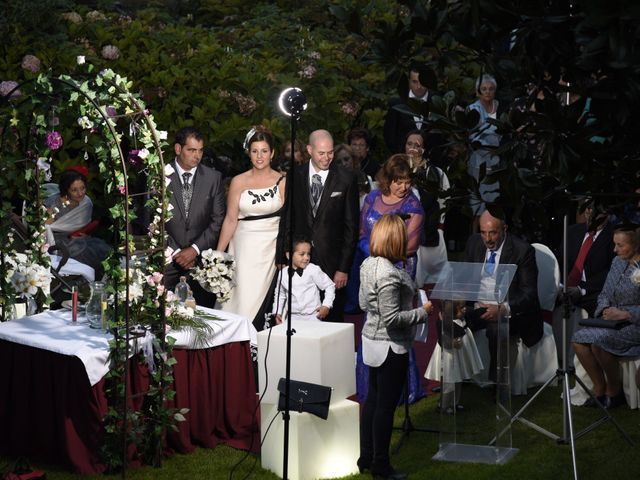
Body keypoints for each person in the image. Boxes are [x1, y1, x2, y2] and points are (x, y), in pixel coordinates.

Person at [358, 214, 432, 480]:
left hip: (370, 341)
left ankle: (365, 456)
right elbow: (392, 319)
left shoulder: (368, 264)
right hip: (390, 346)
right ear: (396, 239)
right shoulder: (389, 273)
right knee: (384, 407)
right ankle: (380, 464)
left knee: (373, 402)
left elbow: (364, 305)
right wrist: (422, 312)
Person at [217, 126, 286, 329]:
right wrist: (218, 255)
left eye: (264, 151)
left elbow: (289, 220)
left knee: (263, 302)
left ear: (272, 153)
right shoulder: (238, 181)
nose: (259, 156)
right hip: (242, 248)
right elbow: (230, 219)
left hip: (270, 249)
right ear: (249, 153)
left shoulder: (283, 181)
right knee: (240, 298)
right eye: (255, 151)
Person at [289, 129, 359, 323]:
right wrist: (284, 254)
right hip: (299, 259)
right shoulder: (295, 175)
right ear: (310, 150)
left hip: (333, 262)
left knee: (332, 318)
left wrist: (343, 268)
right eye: (321, 153)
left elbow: (351, 227)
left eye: (330, 152)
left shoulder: (346, 178)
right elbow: (289, 217)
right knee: (298, 315)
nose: (327, 157)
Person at [464, 209, 541, 381]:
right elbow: (464, 278)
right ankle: (452, 382)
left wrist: (502, 309)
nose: (487, 239)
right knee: (448, 321)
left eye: (493, 233)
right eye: (483, 233)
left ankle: (497, 385)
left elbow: (529, 294)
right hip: (478, 307)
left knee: (496, 329)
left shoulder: (522, 251)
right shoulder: (474, 243)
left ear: (504, 229)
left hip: (507, 311)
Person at [572, 225, 640, 409]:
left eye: (620, 245)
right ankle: (599, 387)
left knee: (599, 342)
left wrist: (627, 314)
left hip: (634, 323)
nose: (615, 250)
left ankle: (614, 390)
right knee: (578, 340)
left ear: (636, 245)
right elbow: (604, 294)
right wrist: (605, 310)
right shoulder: (617, 262)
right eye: (614, 244)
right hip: (612, 320)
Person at [164, 127, 226, 308]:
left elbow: (217, 220)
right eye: (191, 150)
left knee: (200, 318)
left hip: (200, 262)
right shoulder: (159, 174)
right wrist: (176, 252)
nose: (197, 156)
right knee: (163, 316)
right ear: (178, 149)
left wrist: (194, 249)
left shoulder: (213, 178)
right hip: (166, 260)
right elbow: (150, 220)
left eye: (200, 150)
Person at [405, 130, 450, 286]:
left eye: (417, 145)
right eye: (409, 144)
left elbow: (444, 201)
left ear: (424, 149)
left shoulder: (436, 173)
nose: (412, 148)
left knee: (434, 282)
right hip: (403, 233)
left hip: (430, 231)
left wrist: (439, 227)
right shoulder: (397, 169)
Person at [44, 168, 110, 275]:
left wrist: (77, 233)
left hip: (75, 239)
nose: (80, 193)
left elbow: (79, 224)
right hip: (55, 242)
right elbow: (45, 227)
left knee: (105, 251)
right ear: (66, 190)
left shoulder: (86, 202)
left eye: (82, 188)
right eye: (74, 190)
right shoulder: (54, 204)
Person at [425, 299, 483, 413]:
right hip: (450, 356)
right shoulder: (446, 323)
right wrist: (451, 343)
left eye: (464, 306)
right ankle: (444, 405)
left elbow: (474, 315)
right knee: (449, 382)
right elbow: (444, 339)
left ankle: (455, 403)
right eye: (461, 308)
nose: (465, 309)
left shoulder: (462, 319)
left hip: (460, 354)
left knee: (458, 379)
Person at [272, 236, 335, 323]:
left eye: (308, 254)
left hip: (313, 317)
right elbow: (280, 294)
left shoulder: (313, 269)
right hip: (291, 317)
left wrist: (326, 305)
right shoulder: (283, 273)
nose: (306, 258)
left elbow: (329, 285)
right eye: (302, 254)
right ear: (289, 255)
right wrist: (277, 312)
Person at [467, 74, 503, 220]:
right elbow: (474, 137)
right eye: (484, 89)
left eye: (491, 89)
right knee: (477, 207)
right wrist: (496, 136)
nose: (487, 92)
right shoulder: (472, 109)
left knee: (496, 207)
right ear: (478, 91)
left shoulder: (501, 107)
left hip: (499, 165)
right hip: (478, 165)